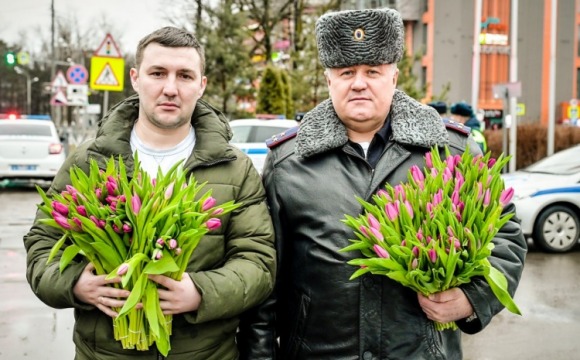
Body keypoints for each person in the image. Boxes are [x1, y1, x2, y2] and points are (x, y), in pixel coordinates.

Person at [236, 8, 527, 360]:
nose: (359, 82)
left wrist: (473, 299)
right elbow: (266, 281)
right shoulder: (288, 162)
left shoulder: (451, 149)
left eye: (372, 71)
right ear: (330, 81)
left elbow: (505, 236)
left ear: (394, 77)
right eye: (346, 72)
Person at [23, 26, 276, 360]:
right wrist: (75, 284)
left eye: (184, 75)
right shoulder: (88, 162)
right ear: (135, 78)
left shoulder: (234, 168)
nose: (170, 88)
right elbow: (42, 245)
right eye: (157, 73)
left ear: (201, 85)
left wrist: (200, 292)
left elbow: (258, 262)